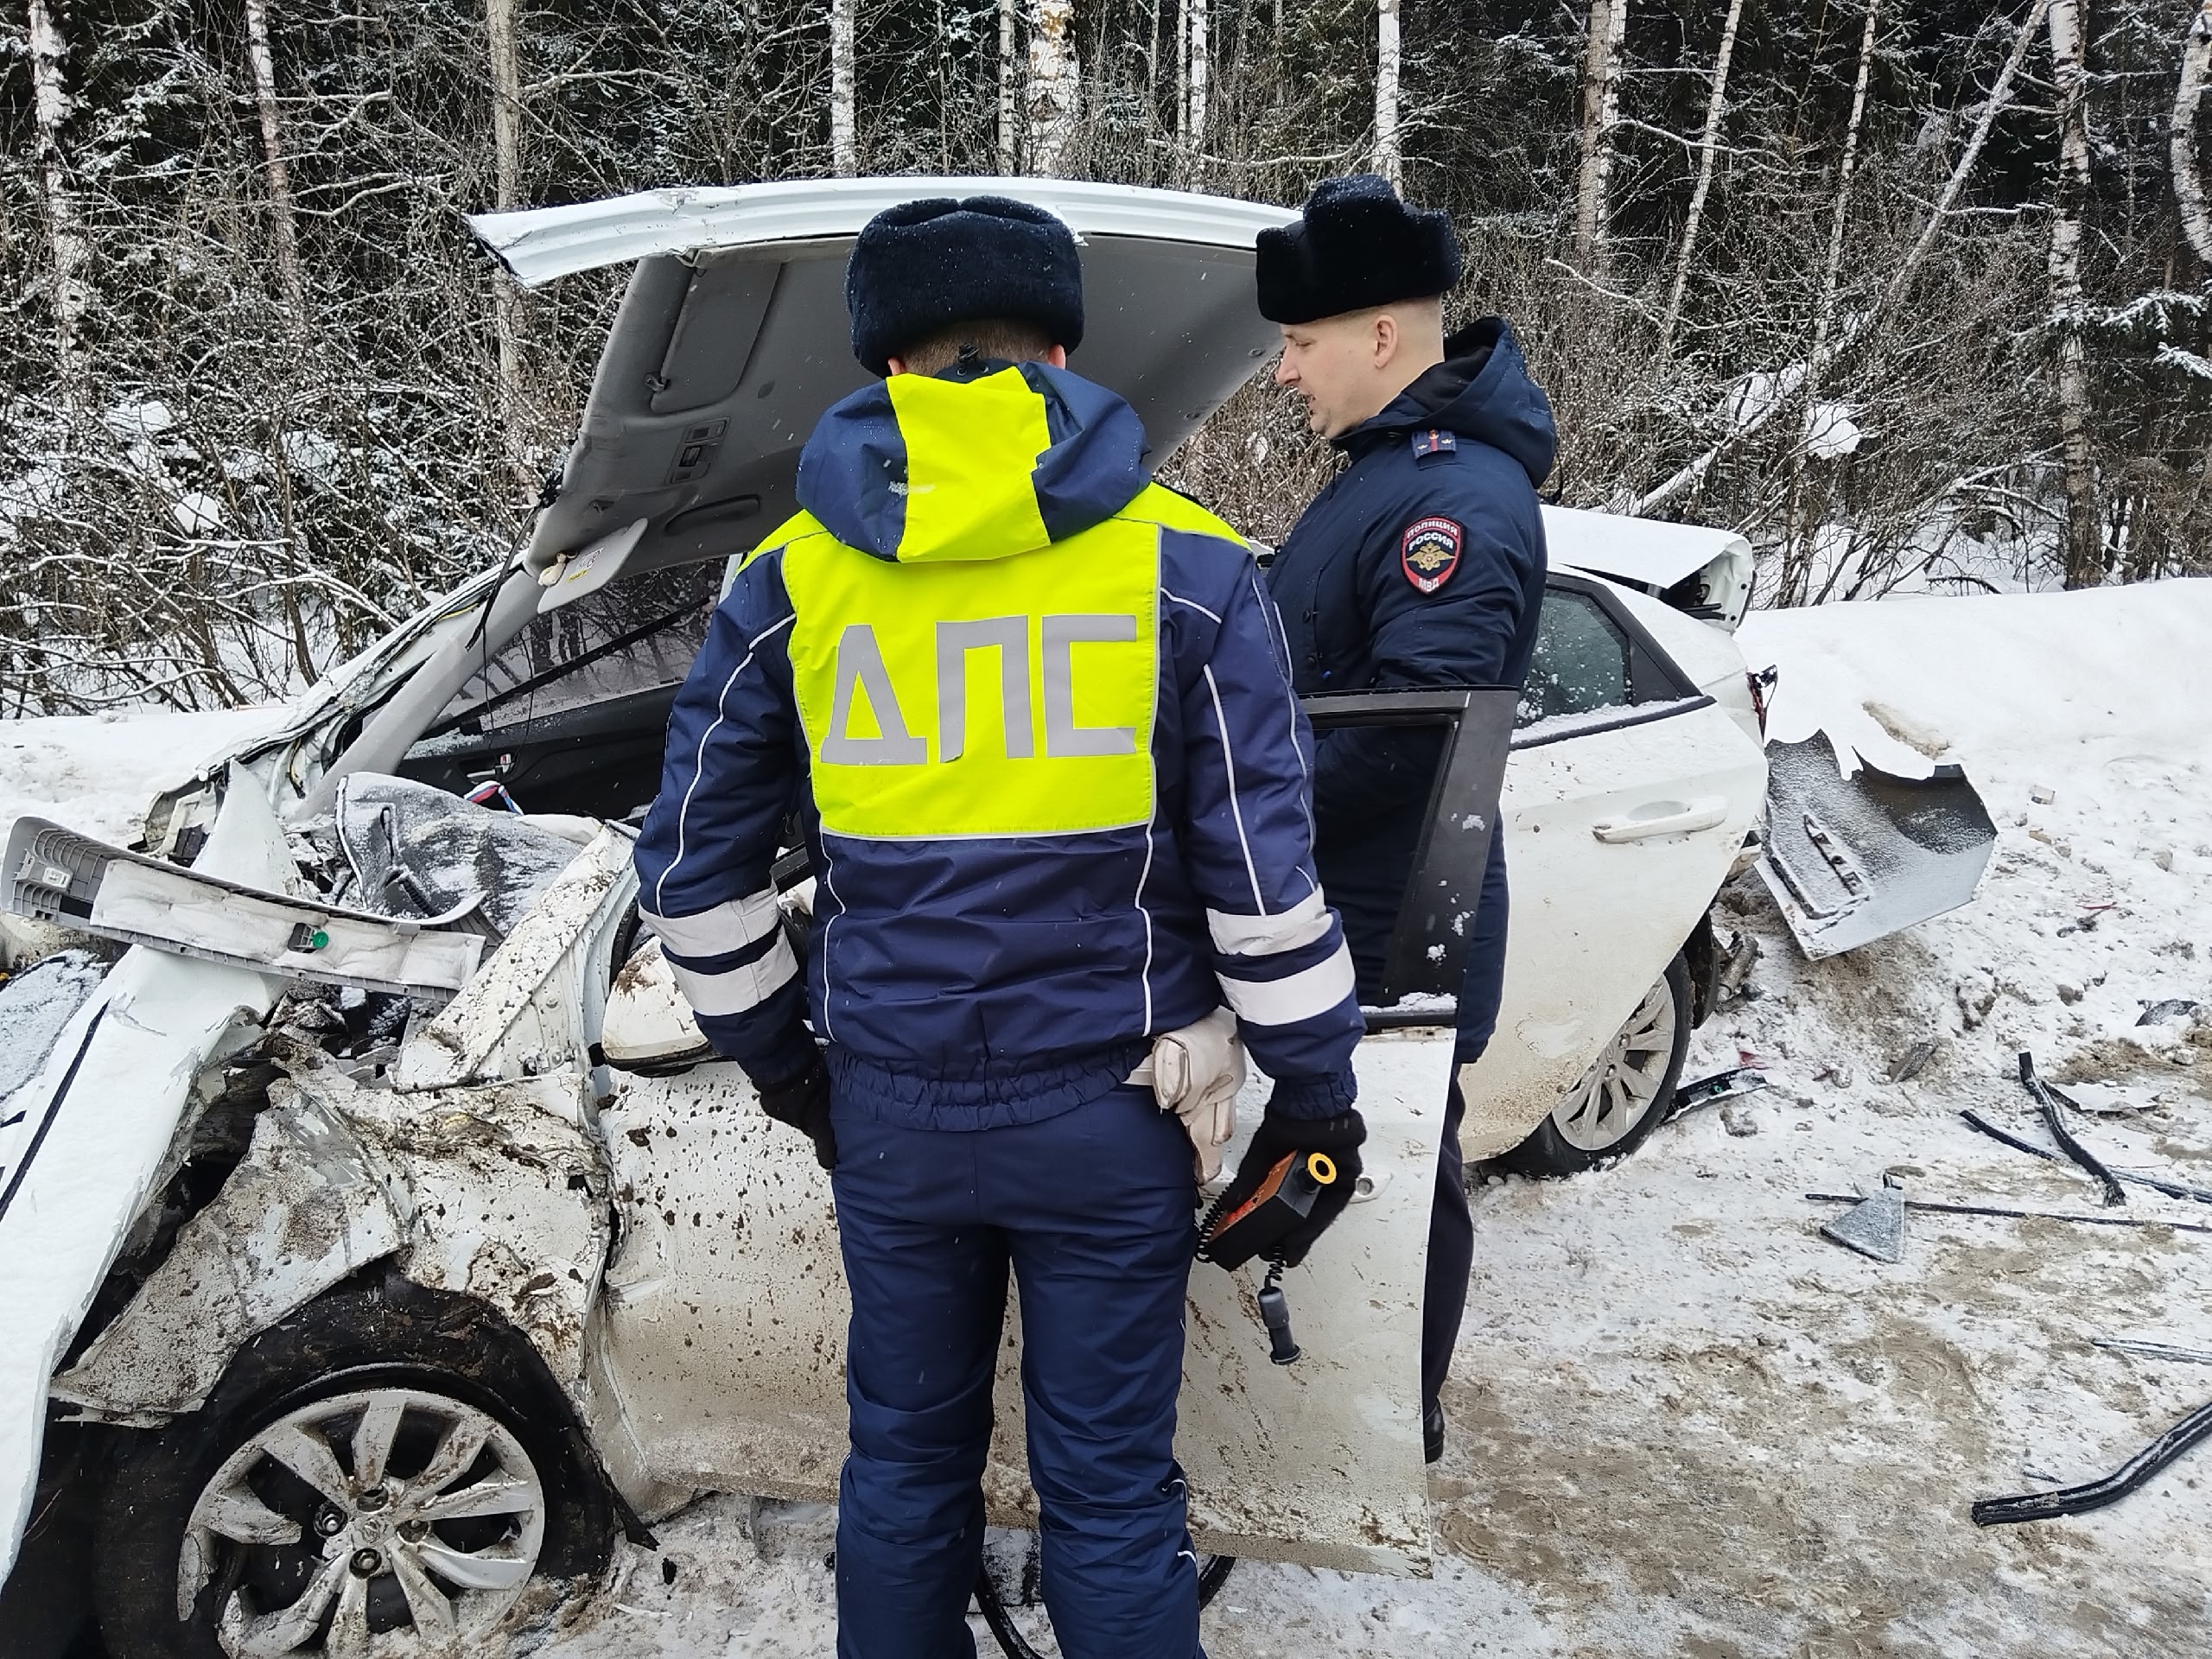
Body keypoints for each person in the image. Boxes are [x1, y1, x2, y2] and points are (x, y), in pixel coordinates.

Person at [632, 195, 1368, 1659]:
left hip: (894, 1120)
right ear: (1064, 351)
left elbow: (694, 883)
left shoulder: (789, 583)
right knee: (1110, 1495)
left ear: (884, 364)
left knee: (904, 1473)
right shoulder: (1191, 569)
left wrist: (792, 1073)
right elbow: (1262, 882)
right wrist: (1316, 1089)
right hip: (1110, 1119)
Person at [1255, 174, 1556, 1464]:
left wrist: (1232, 820)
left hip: (1391, 925)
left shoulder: (1452, 499)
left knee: (1388, 1185)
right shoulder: (1387, 475)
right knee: (1361, 1178)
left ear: (1380, 335)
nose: (1283, 372)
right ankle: (1339, 1424)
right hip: (1353, 906)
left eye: (1299, 342)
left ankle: (1381, 1434)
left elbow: (1412, 738)